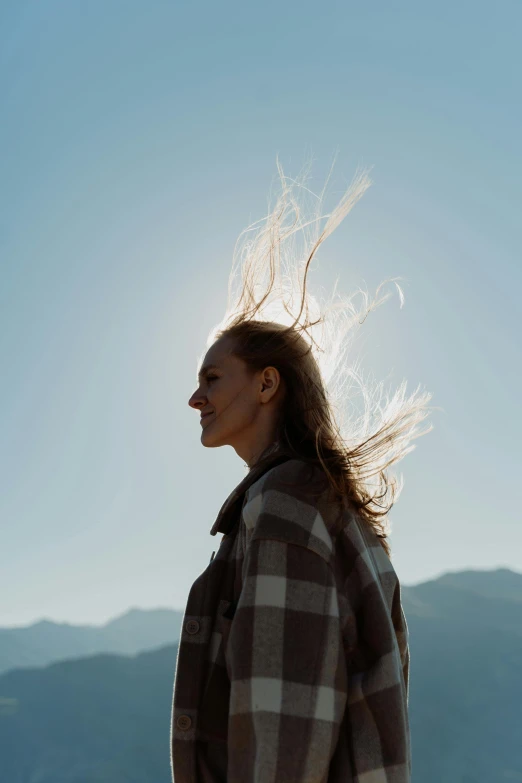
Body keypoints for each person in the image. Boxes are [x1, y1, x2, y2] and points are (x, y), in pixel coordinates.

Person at [170, 160, 433, 782]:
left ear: (267, 384)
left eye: (211, 378)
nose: (194, 399)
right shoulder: (325, 500)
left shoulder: (286, 502)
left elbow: (285, 720)